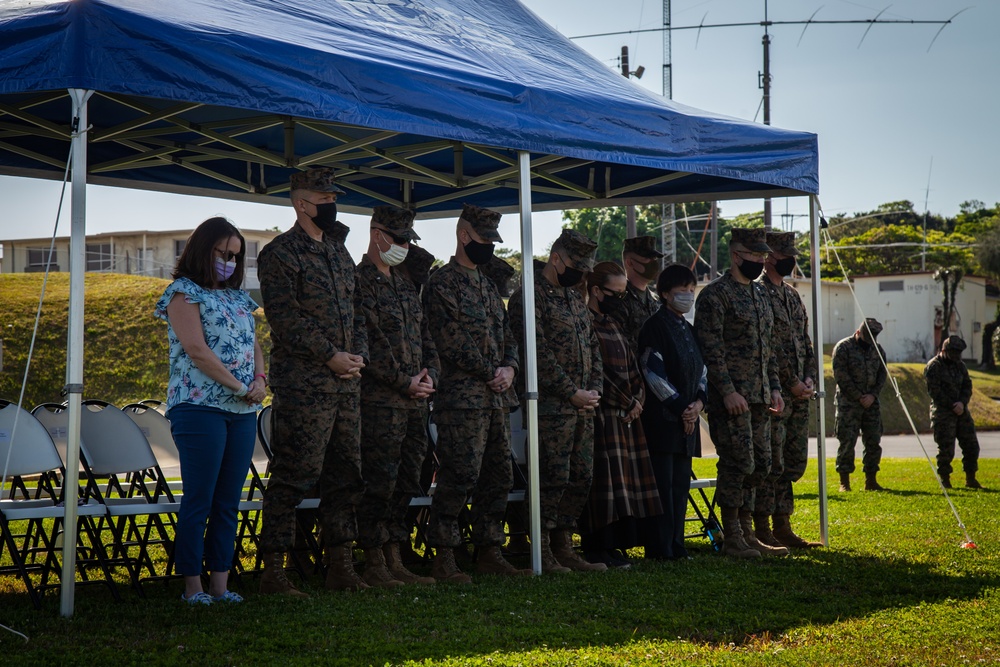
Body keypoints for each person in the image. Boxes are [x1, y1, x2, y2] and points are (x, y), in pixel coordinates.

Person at [256, 167, 369, 596]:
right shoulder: (280, 253)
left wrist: (356, 356)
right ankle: (274, 572)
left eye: (333, 197)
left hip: (346, 385)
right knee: (293, 475)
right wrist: (330, 356)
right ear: (302, 204)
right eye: (324, 199)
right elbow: (286, 319)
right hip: (306, 386)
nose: (331, 204)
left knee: (346, 476)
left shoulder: (339, 252)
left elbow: (356, 311)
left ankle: (340, 565)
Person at [154, 216, 266, 605]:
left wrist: (260, 381)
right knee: (199, 499)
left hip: (241, 412)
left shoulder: (239, 298)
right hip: (199, 408)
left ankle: (220, 585)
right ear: (203, 249)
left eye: (235, 256)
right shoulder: (182, 293)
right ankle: (192, 587)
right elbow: (197, 350)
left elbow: (254, 345)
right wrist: (238, 386)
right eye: (222, 253)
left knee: (228, 501)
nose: (229, 262)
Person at [424, 204, 527, 582]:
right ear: (464, 235)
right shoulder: (442, 283)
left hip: (496, 399)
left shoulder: (486, 284)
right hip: (462, 400)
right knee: (459, 475)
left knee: (499, 476)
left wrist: (511, 368)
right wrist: (491, 371)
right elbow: (449, 340)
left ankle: (489, 550)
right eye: (484, 239)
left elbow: (507, 336)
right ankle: (444, 556)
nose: (490, 246)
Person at [508, 228, 606, 574]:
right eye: (576, 265)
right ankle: (545, 550)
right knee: (551, 478)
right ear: (557, 258)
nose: (580, 273)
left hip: (582, 406)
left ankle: (565, 545)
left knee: (581, 477)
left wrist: (593, 389)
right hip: (550, 407)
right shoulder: (530, 296)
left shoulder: (572, 297)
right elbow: (536, 353)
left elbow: (592, 345)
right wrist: (570, 391)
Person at [355, 206, 439, 587]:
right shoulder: (359, 282)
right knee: (380, 482)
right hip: (379, 403)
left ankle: (395, 555)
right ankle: (374, 559)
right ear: (377, 233)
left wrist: (428, 376)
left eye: (408, 240)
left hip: (414, 402)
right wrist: (402, 380)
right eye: (399, 239)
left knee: (407, 480)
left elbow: (426, 340)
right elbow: (366, 342)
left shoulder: (405, 285)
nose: (405, 247)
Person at [694, 227, 787, 559]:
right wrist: (729, 391)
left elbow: (770, 348)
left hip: (761, 396)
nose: (762, 261)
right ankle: (732, 535)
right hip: (731, 399)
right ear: (736, 256)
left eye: (764, 256)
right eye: (755, 256)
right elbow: (711, 349)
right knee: (738, 462)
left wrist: (774, 387)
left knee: (761, 464)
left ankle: (747, 533)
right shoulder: (715, 296)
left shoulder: (760, 294)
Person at [580, 261, 663, 567]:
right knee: (605, 485)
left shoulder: (614, 324)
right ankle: (598, 546)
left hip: (626, 415)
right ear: (596, 291)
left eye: (623, 293)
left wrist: (638, 397)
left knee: (624, 484)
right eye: (614, 293)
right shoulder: (584, 322)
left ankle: (618, 544)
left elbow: (632, 367)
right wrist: (628, 401)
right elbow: (595, 371)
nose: (620, 299)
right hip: (602, 415)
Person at [754, 232, 822, 549]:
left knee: (792, 463)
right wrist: (791, 381)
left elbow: (804, 343)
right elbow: (772, 347)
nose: (790, 260)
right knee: (771, 462)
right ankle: (763, 527)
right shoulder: (758, 294)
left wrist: (809, 378)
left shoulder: (792, 296)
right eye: (785, 254)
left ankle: (783, 524)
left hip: (798, 394)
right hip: (775, 393)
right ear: (768, 257)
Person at [638, 263, 706, 561]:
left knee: (680, 488)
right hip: (663, 422)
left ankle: (678, 546)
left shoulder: (689, 330)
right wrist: (683, 409)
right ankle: (660, 548)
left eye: (692, 291)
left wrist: (699, 405)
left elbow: (703, 372)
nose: (688, 296)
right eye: (682, 291)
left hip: (687, 424)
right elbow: (653, 375)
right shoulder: (654, 327)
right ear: (665, 293)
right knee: (662, 489)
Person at [832, 318, 887, 492]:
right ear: (858, 332)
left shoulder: (877, 350)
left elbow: (882, 375)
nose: (868, 344)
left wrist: (872, 395)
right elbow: (841, 376)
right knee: (847, 441)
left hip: (871, 403)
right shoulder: (843, 348)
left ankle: (871, 480)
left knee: (873, 441)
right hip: (849, 403)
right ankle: (844, 482)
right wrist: (858, 396)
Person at [924, 336, 983, 489]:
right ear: (944, 351)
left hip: (961, 410)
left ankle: (971, 478)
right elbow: (934, 392)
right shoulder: (934, 366)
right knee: (946, 449)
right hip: (943, 412)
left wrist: (962, 403)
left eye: (959, 353)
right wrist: (952, 405)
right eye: (953, 352)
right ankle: (945, 480)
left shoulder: (960, 366)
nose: (956, 356)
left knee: (971, 445)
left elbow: (967, 386)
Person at [614, 235, 664, 352]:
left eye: (655, 259)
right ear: (630, 263)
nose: (653, 263)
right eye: (648, 258)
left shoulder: (657, 300)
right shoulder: (618, 299)